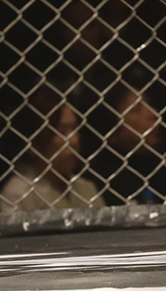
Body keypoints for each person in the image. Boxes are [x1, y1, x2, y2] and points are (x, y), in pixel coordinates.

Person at [1, 85, 106, 213]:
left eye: (75, 129)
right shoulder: (18, 193)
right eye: (62, 131)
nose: (74, 140)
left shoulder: (86, 189)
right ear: (34, 142)